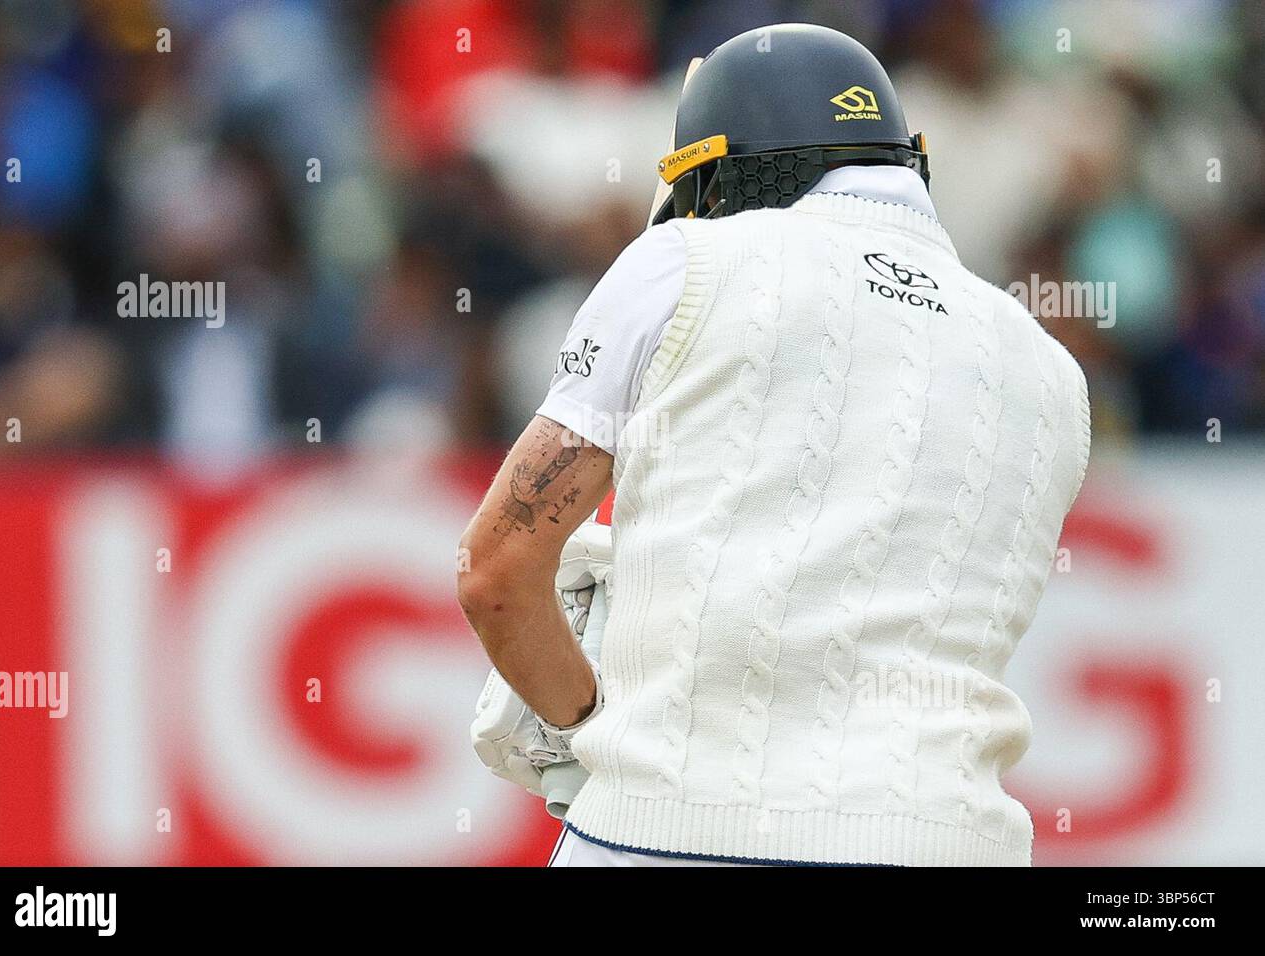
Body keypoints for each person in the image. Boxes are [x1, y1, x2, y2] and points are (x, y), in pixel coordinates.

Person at [458, 23, 1090, 867]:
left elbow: (496, 570)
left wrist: (587, 724)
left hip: (672, 827)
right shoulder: (1050, 370)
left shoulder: (684, 259)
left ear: (719, 174)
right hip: (952, 840)